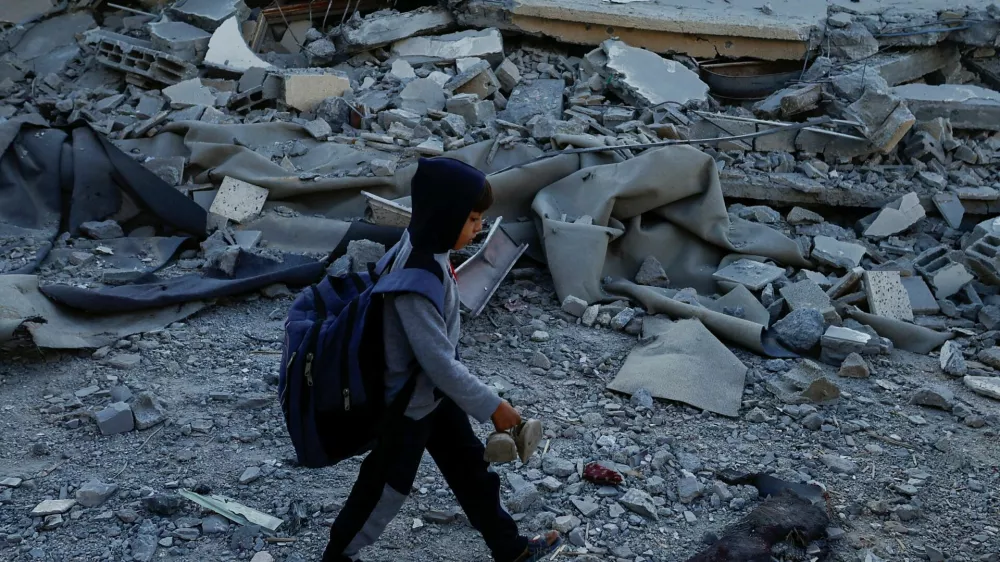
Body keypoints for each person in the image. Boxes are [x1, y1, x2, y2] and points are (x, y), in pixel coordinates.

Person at [322, 157, 562, 562]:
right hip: (408, 406)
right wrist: (495, 408)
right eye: (472, 219)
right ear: (445, 215)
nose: (479, 227)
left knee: (472, 471)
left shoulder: (424, 245)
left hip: (431, 395)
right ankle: (337, 556)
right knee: (383, 490)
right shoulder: (414, 284)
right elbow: (439, 363)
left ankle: (511, 549)